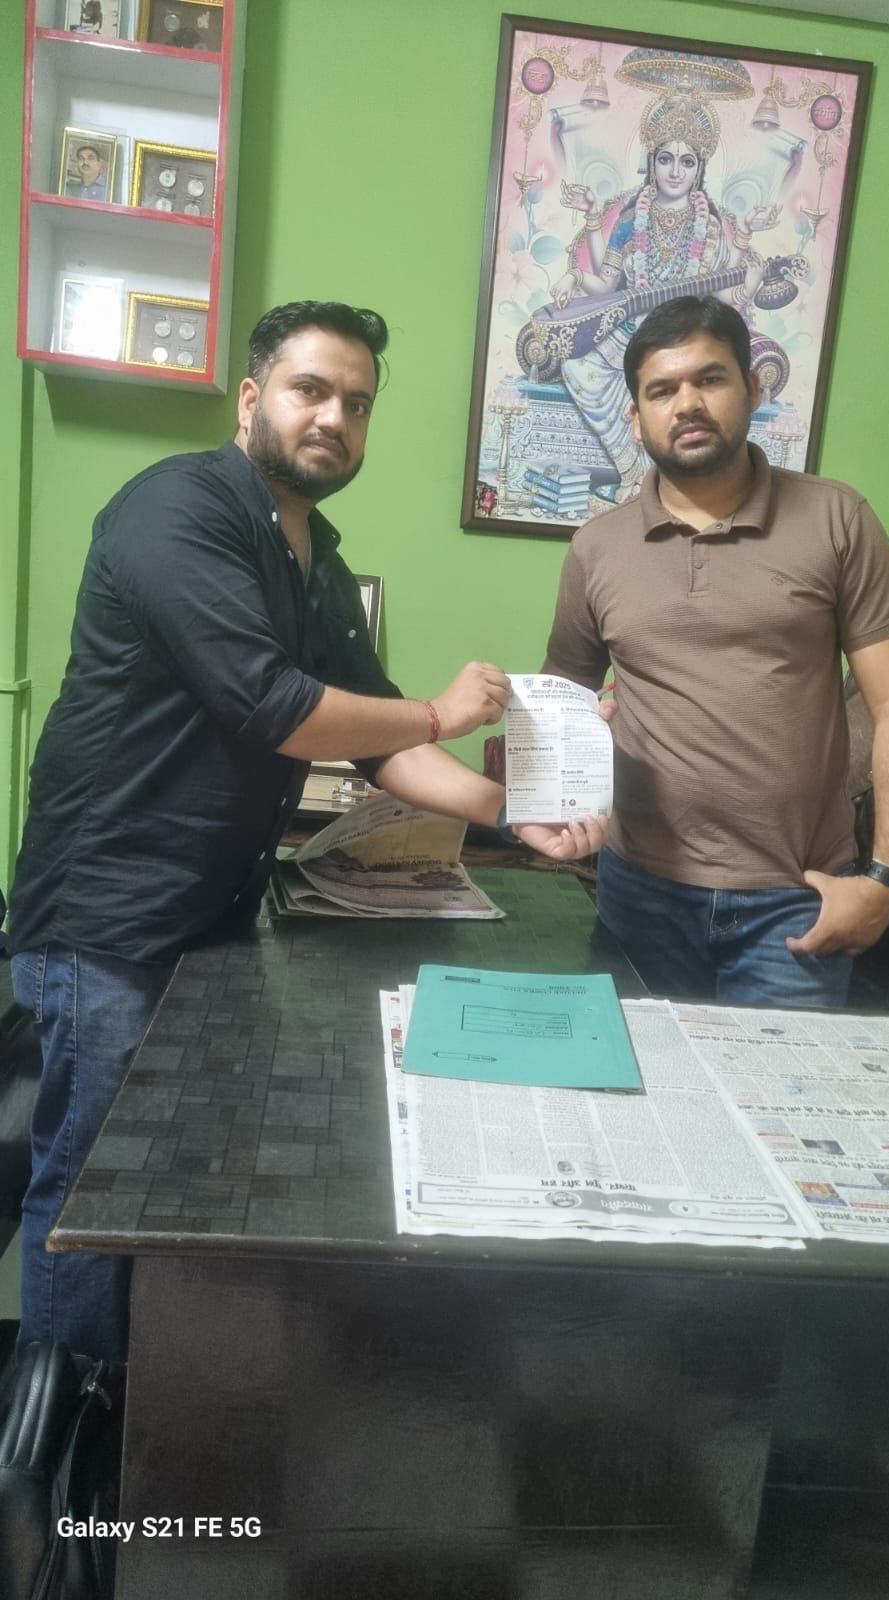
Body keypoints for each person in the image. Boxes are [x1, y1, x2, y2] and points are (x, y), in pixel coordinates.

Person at [8, 300, 608, 1363]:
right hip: (108, 918)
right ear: (251, 399)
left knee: (166, 1169)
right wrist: (437, 713)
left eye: (358, 403)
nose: (335, 417)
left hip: (210, 915)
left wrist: (512, 813)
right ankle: (63, 1427)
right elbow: (275, 706)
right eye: (311, 390)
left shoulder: (316, 558)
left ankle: (147, 1395)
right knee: (91, 1181)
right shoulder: (176, 510)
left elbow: (375, 740)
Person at [544, 293, 889, 1008]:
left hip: (798, 902)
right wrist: (557, 794)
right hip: (639, 895)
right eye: (661, 390)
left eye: (709, 378)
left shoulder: (838, 518)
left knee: (780, 1086)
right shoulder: (596, 548)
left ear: (753, 388)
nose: (687, 404)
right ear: (636, 415)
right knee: (638, 1079)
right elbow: (562, 696)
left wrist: (885, 880)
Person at [548, 89, 777, 500]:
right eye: (665, 158)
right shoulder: (630, 220)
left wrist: (752, 280)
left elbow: (724, 302)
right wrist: (573, 277)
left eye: (687, 161)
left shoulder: (711, 226)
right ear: (651, 162)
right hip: (628, 332)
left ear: (699, 168)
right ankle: (632, 474)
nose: (675, 171)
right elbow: (606, 284)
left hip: (687, 344)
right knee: (577, 369)